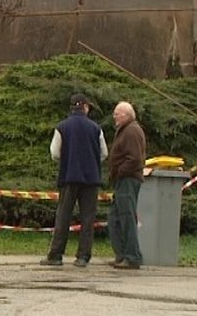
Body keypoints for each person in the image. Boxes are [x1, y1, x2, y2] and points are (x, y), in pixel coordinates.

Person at [40, 93, 108, 267]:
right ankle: (83, 256)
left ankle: (56, 255)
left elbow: (55, 152)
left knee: (63, 215)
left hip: (69, 176)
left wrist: (67, 160)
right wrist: (92, 162)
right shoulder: (95, 128)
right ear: (85, 107)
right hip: (91, 179)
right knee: (88, 218)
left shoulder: (62, 127)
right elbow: (104, 153)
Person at [107, 101, 147, 270]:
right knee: (115, 218)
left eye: (117, 113)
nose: (114, 116)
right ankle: (122, 254)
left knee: (126, 217)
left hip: (128, 180)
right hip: (123, 180)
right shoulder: (126, 130)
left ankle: (132, 257)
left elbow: (135, 159)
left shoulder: (131, 131)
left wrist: (120, 172)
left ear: (126, 115)